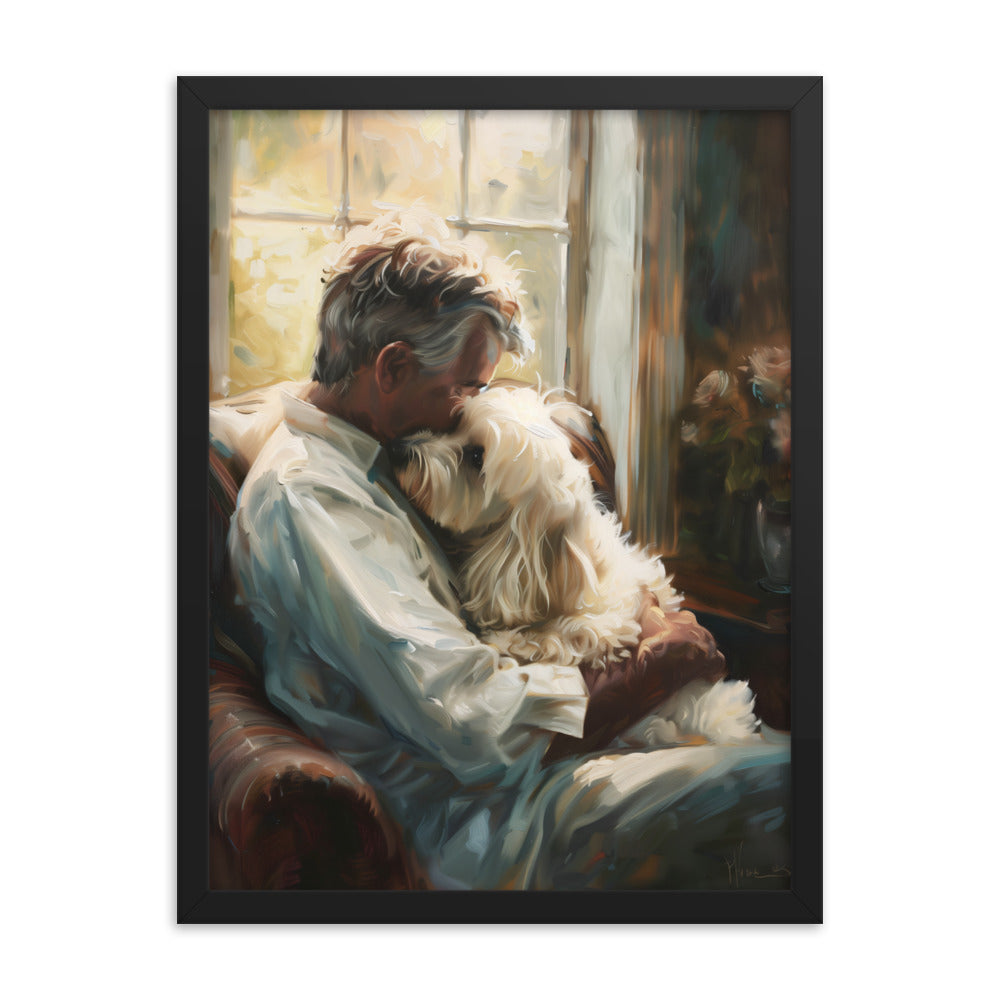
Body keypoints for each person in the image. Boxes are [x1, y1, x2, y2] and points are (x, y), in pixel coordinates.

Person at [227, 209, 791, 890]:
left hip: (555, 772)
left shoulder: (373, 454)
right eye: (464, 388)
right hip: (492, 821)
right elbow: (473, 722)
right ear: (392, 366)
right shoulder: (309, 499)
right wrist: (654, 669)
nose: (472, 409)